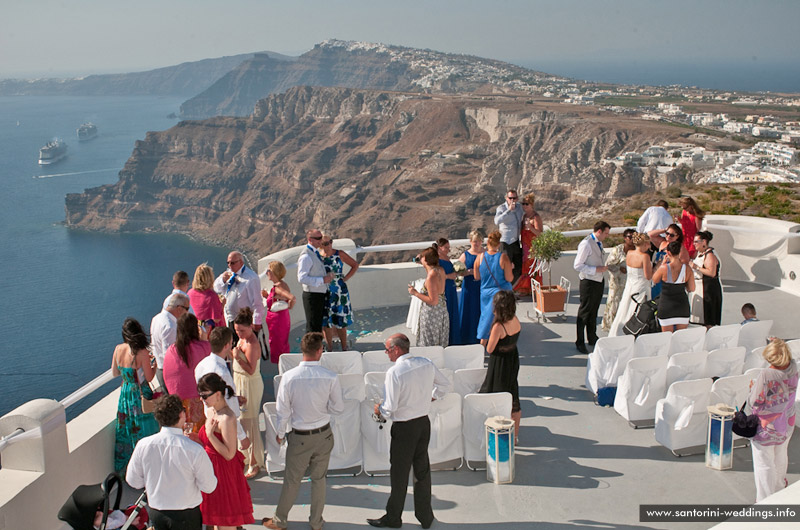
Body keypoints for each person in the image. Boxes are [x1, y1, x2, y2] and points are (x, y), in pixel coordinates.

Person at [367, 333, 452, 529]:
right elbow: (444, 385)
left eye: (387, 350)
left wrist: (380, 408)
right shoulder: (425, 363)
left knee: (399, 474)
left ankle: (394, 517)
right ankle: (425, 516)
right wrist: (429, 397)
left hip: (404, 428)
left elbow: (390, 408)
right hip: (423, 424)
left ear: (396, 349)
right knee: (422, 471)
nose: (386, 354)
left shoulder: (395, 372)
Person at [262, 332, 344, 530]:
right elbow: (338, 408)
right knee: (319, 480)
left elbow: (283, 412)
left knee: (292, 480)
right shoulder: (330, 377)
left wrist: (280, 434)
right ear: (319, 351)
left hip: (299, 437)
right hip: (324, 435)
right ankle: (316, 521)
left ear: (302, 351)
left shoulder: (289, 378)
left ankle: (280, 520)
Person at [126, 394, 217, 530]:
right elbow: (209, 486)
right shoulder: (194, 450)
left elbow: (133, 481)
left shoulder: (143, 445)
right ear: (182, 414)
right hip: (187, 515)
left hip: (156, 513)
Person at [196, 373, 255, 529]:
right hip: (210, 471)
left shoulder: (227, 418)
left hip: (222, 474)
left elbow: (229, 453)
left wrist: (210, 435)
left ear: (217, 394)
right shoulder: (211, 411)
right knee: (215, 522)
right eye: (200, 395)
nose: (202, 399)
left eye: (205, 396)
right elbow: (208, 443)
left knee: (225, 522)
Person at [748, 339, 798, 502]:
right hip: (787, 421)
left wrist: (752, 389)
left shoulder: (766, 374)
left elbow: (755, 401)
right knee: (780, 455)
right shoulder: (793, 366)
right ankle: (779, 488)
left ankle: (764, 499)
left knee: (764, 462)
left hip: (767, 426)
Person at [112, 318, 159, 471]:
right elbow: (150, 377)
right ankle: (148, 468)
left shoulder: (118, 349)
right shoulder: (142, 352)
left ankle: (129, 469)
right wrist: (155, 364)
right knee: (145, 429)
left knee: (126, 429)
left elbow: (115, 372)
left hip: (125, 393)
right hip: (140, 394)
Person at [194, 326, 250, 451]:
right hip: (223, 426)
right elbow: (230, 406)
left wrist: (235, 397)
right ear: (227, 345)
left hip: (209, 421)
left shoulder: (200, 365)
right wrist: (242, 436)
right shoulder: (222, 372)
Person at [479, 291, 522, 442]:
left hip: (500, 363)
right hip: (512, 360)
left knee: (495, 394)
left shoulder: (499, 326)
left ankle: (496, 431)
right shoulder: (515, 320)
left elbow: (490, 349)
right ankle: (515, 436)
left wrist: (485, 339)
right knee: (513, 395)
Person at [163, 313, 211, 433]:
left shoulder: (172, 350)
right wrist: (205, 339)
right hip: (200, 401)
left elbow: (167, 376)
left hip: (180, 404)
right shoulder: (204, 347)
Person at [232, 307, 265, 479]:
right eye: (237, 330)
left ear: (250, 327)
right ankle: (244, 458)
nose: (239, 333)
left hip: (250, 385)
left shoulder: (252, 343)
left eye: (242, 330)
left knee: (250, 423)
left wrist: (237, 357)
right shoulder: (241, 340)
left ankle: (254, 461)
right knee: (242, 422)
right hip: (239, 382)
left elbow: (251, 370)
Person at [573, 221, 610, 353]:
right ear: (599, 231)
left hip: (598, 281)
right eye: (605, 233)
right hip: (588, 282)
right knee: (584, 312)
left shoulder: (598, 243)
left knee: (594, 310)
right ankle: (580, 341)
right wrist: (595, 269)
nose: (607, 236)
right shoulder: (586, 244)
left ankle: (592, 336)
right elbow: (577, 265)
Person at [608, 233, 653, 337]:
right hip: (641, 287)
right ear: (645, 244)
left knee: (625, 309)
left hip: (630, 286)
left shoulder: (629, 253)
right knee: (638, 312)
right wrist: (658, 266)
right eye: (649, 244)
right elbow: (648, 276)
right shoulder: (645, 256)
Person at [320, 234, 359, 351]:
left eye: (330, 242)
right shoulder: (318, 256)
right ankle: (329, 348)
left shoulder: (339, 254)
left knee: (341, 320)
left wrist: (345, 278)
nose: (329, 245)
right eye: (325, 243)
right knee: (326, 321)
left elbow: (354, 265)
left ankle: (344, 346)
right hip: (324, 291)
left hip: (339, 291)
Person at [213, 251, 264, 341]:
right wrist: (223, 280)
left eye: (232, 263)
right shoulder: (229, 274)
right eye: (228, 263)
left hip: (244, 321)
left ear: (241, 262)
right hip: (231, 319)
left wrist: (257, 321)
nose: (230, 265)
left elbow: (257, 301)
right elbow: (216, 288)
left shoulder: (251, 278)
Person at [474, 230, 513, 345]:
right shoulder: (503, 257)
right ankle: (498, 345)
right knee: (502, 320)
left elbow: (477, 276)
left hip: (485, 294)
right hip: (500, 294)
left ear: (487, 243)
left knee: (486, 319)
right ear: (499, 244)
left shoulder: (480, 257)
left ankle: (482, 346)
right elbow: (509, 278)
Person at [408, 247, 449, 347]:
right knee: (440, 339)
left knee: (430, 342)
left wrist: (415, 293)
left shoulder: (431, 276)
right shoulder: (440, 270)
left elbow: (433, 301)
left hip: (432, 314)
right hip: (442, 310)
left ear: (426, 259)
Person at [151, 292, 191, 391]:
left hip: (159, 368)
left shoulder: (156, 318)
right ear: (179, 308)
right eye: (187, 309)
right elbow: (170, 356)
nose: (187, 312)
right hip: (169, 373)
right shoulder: (170, 327)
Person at [298, 229, 335, 333]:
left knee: (317, 325)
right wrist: (322, 280)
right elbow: (301, 278)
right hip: (312, 295)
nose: (320, 240)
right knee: (313, 327)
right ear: (310, 240)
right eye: (318, 238)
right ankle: (311, 348)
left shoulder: (315, 253)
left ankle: (317, 348)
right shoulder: (306, 256)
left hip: (319, 294)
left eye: (321, 238)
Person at [653, 241, 695, 332]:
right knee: (681, 339)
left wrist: (663, 263)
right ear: (680, 252)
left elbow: (654, 280)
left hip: (666, 307)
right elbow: (692, 288)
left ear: (668, 253)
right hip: (682, 307)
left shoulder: (664, 268)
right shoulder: (687, 269)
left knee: (667, 338)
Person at [602, 228, 636, 332]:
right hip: (617, 281)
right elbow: (608, 265)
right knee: (614, 303)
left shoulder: (637, 249)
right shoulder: (618, 250)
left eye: (634, 237)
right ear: (625, 238)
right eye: (630, 237)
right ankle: (611, 326)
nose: (631, 239)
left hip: (630, 281)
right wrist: (619, 269)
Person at [262, 261, 295, 363]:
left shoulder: (278, 288)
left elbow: (291, 298)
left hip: (277, 321)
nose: (267, 273)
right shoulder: (281, 285)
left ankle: (282, 368)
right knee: (282, 344)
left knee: (278, 345)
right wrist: (267, 296)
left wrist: (289, 306)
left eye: (268, 270)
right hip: (280, 319)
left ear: (274, 272)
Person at [689, 231, 722, 328]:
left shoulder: (710, 255)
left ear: (704, 242)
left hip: (708, 289)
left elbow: (711, 273)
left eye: (696, 242)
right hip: (699, 287)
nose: (694, 244)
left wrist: (696, 267)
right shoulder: (701, 253)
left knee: (708, 318)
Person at [513, 192, 544, 295]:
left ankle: (534, 289)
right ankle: (526, 289)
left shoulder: (535, 217)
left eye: (527, 204)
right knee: (526, 268)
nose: (524, 206)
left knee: (534, 268)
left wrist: (530, 228)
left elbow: (540, 233)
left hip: (534, 247)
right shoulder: (524, 216)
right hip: (526, 247)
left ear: (532, 205)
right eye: (523, 203)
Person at [457, 230, 484, 344]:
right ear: (470, 242)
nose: (476, 244)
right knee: (468, 311)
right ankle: (467, 338)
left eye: (478, 241)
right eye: (474, 241)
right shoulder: (465, 255)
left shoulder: (486, 253)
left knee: (481, 312)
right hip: (469, 287)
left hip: (482, 287)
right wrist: (467, 272)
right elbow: (457, 271)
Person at [650, 224, 690, 299]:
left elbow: (685, 265)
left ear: (677, 236)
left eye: (671, 235)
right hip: (658, 275)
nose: (668, 236)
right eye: (667, 234)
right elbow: (650, 235)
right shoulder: (662, 243)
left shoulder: (681, 248)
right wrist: (665, 229)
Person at [494, 189, 525, 285]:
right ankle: (505, 290)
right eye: (510, 198)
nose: (512, 200)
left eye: (514, 198)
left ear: (517, 198)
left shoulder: (520, 207)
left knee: (518, 266)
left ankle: (510, 288)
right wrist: (508, 211)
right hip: (505, 242)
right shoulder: (501, 208)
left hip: (515, 241)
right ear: (506, 198)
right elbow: (497, 221)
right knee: (505, 267)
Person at [435, 237, 461, 345]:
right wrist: (449, 276)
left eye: (448, 247)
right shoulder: (437, 260)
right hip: (444, 288)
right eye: (446, 247)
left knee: (453, 312)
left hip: (451, 288)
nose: (448, 250)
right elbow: (436, 275)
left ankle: (454, 339)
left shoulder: (446, 257)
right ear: (439, 248)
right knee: (447, 313)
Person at [188, 263, 224, 329]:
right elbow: (216, 319)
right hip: (210, 332)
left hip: (194, 329)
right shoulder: (211, 296)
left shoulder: (190, 293)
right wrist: (222, 305)